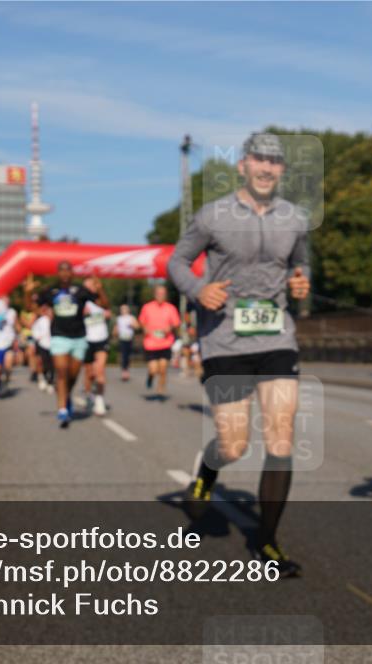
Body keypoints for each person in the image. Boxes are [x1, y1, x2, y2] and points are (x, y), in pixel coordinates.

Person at [169, 132, 309, 577]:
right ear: (243, 166)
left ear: (281, 169)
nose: (267, 168)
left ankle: (267, 541)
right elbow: (176, 262)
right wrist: (198, 289)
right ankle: (207, 473)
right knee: (234, 444)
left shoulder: (295, 218)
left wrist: (301, 285)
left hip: (276, 338)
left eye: (275, 161)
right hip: (225, 339)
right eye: (259, 159)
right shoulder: (213, 216)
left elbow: (301, 265)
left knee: (281, 436)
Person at [37, 261, 100, 428]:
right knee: (61, 372)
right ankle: (62, 410)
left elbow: (103, 304)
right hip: (59, 337)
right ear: (58, 273)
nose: (65, 273)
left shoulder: (80, 290)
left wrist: (99, 289)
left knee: (72, 375)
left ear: (72, 273)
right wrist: (28, 293)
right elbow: (33, 306)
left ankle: (66, 396)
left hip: (78, 337)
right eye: (62, 270)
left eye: (68, 270)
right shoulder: (51, 290)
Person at [138, 285, 181, 398]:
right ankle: (151, 376)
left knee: (163, 368)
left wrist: (170, 328)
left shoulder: (171, 308)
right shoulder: (147, 307)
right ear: (154, 294)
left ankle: (160, 388)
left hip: (165, 342)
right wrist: (144, 328)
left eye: (163, 294)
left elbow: (176, 323)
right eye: (158, 293)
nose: (160, 296)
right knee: (153, 369)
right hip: (151, 343)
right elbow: (141, 322)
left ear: (165, 295)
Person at [79, 276, 111, 416]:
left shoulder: (99, 300)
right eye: (86, 287)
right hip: (86, 340)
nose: (89, 289)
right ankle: (88, 395)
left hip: (101, 339)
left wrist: (100, 289)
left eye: (92, 286)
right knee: (89, 373)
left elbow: (106, 305)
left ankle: (99, 399)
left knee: (100, 371)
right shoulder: (81, 301)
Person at [31, 304, 55, 393]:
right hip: (43, 344)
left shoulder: (56, 321)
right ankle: (43, 377)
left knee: (52, 364)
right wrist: (38, 337)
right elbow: (34, 330)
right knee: (44, 362)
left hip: (54, 345)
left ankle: (51, 382)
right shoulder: (41, 320)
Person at [113, 304, 140, 382]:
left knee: (128, 355)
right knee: (124, 355)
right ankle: (124, 371)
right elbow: (115, 329)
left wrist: (133, 325)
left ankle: (126, 369)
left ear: (128, 310)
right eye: (122, 309)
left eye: (125, 309)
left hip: (129, 338)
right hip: (122, 338)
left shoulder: (131, 318)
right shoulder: (119, 318)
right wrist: (115, 332)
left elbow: (137, 326)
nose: (123, 310)